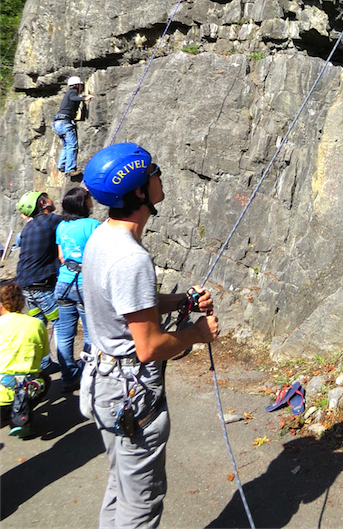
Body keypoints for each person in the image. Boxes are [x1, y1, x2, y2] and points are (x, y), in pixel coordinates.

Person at [81, 142, 219, 528]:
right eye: (153, 171)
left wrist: (181, 300)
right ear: (140, 191)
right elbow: (149, 347)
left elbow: (130, 304)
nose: (160, 175)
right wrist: (198, 333)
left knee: (121, 487)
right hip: (131, 393)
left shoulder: (102, 237)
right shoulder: (132, 258)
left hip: (104, 382)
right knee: (141, 504)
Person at [54, 187, 100, 392]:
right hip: (84, 284)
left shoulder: (61, 226)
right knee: (90, 335)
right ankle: (88, 376)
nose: (91, 200)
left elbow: (61, 257)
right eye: (88, 198)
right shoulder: (93, 226)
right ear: (83, 203)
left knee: (64, 335)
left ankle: (68, 377)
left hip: (63, 283)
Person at [16, 191, 62, 373]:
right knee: (61, 323)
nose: (52, 200)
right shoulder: (51, 220)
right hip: (41, 285)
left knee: (39, 326)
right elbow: (72, 219)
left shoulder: (28, 227)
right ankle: (69, 371)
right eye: (48, 197)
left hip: (25, 285)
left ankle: (43, 365)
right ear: (43, 203)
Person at [0, 283, 51, 438]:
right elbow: (43, 355)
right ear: (22, 303)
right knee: (44, 379)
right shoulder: (37, 324)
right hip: (26, 388)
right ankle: (23, 419)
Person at [53, 75, 94, 177]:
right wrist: (84, 98)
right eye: (81, 85)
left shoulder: (68, 93)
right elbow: (73, 98)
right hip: (64, 122)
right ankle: (70, 169)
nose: (82, 87)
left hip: (58, 122)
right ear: (76, 85)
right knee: (72, 145)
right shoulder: (72, 92)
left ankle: (62, 165)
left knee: (66, 145)